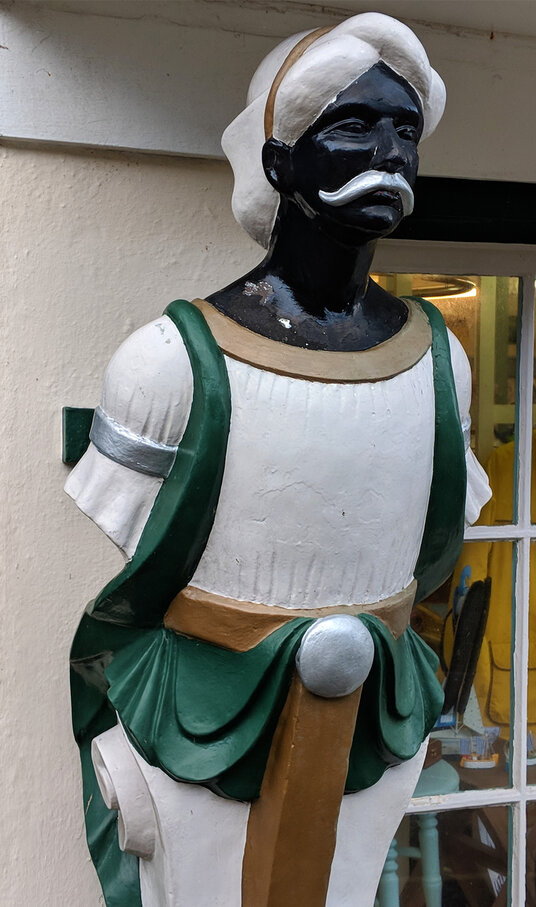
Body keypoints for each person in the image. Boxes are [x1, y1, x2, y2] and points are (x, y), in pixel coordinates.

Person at [66, 12, 491, 907]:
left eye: (405, 131)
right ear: (279, 160)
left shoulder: (441, 364)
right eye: (353, 126)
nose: (389, 153)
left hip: (374, 725)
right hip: (204, 726)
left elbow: (432, 548)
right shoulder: (170, 364)